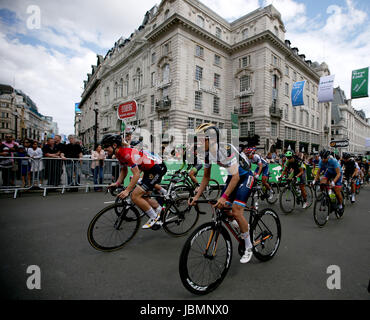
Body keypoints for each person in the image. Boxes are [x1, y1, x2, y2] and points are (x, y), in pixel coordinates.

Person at [189, 123, 255, 264]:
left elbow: (237, 177)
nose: (198, 142)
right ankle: (243, 226)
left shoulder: (225, 149)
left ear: (212, 139)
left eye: (201, 139)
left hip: (244, 176)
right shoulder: (206, 153)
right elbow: (206, 177)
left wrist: (224, 197)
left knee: (236, 211)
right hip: (233, 176)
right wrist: (196, 196)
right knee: (222, 209)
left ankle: (249, 246)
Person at [102, 134, 166, 229]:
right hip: (148, 170)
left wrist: (127, 190)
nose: (104, 149)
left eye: (106, 147)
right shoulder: (119, 154)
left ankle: (154, 217)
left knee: (135, 196)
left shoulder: (125, 153)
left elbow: (136, 174)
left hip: (156, 169)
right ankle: (160, 210)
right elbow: (124, 171)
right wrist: (117, 183)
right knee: (144, 196)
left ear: (114, 145)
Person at [313, 149, 344, 215]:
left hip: (337, 173)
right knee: (322, 182)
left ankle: (341, 205)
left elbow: (338, 174)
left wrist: (333, 182)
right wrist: (314, 180)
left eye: (324, 158)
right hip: (329, 172)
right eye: (321, 158)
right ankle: (325, 196)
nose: (323, 159)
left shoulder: (333, 161)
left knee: (336, 190)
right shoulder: (321, 161)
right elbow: (318, 173)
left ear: (328, 157)